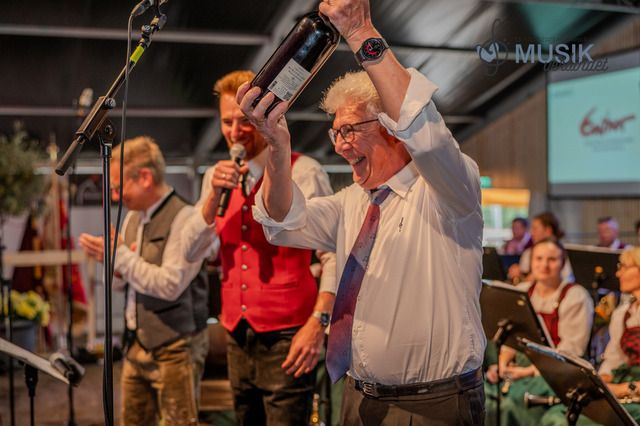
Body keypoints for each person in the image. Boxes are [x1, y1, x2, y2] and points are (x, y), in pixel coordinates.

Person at [244, 0, 486, 423]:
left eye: (350, 130)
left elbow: (427, 139)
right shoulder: (353, 202)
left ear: (392, 129)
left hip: (431, 406)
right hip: (357, 398)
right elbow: (281, 222)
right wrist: (278, 149)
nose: (340, 145)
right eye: (335, 133)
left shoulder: (447, 194)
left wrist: (360, 32)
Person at [180, 70, 336, 425]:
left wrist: (318, 323)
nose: (235, 132)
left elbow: (333, 254)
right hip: (236, 332)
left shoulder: (305, 170)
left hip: (289, 332)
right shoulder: (215, 177)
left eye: (244, 121)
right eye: (227, 122)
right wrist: (212, 200)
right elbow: (191, 252)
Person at [78, 136, 209, 426]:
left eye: (118, 186)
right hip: (136, 343)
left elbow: (170, 285)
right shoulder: (133, 218)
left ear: (146, 178)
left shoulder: (186, 217)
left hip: (176, 347)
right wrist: (111, 262)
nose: (115, 197)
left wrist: (121, 257)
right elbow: (120, 285)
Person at [485, 238, 594, 426]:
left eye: (552, 259)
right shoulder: (521, 291)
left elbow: (571, 351)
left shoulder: (575, 296)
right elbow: (512, 337)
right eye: (539, 258)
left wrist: (526, 372)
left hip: (555, 373)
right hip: (519, 367)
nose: (544, 265)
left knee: (511, 404)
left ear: (562, 263)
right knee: (486, 398)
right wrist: (503, 366)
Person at [539, 247, 640, 425]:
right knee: (557, 414)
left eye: (624, 267)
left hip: (633, 391)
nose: (618, 273)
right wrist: (598, 383)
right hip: (624, 382)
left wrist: (626, 389)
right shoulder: (624, 313)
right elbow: (614, 359)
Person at [508, 212, 573, 284]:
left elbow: (567, 279)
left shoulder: (561, 253)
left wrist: (537, 277)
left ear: (548, 230)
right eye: (539, 258)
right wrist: (519, 273)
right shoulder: (528, 252)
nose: (531, 232)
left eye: (535, 228)